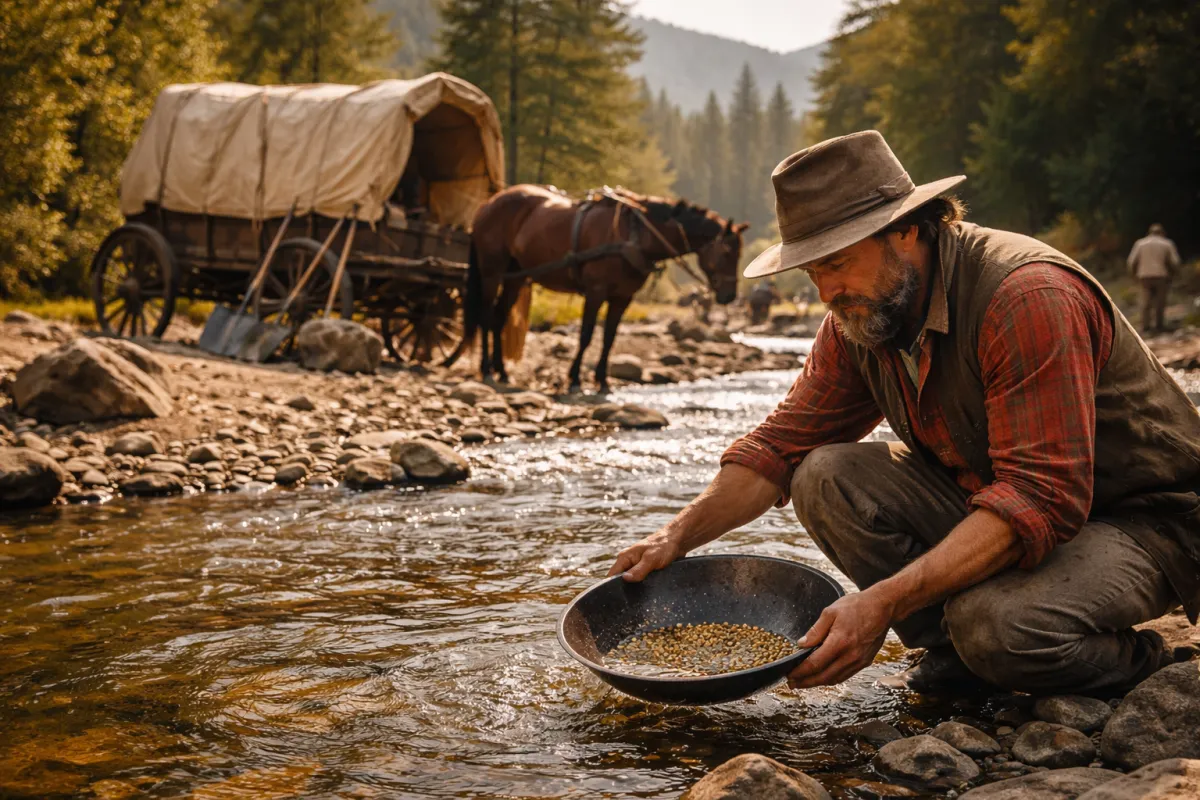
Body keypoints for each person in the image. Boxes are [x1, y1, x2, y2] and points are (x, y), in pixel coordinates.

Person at [608, 131, 1200, 696]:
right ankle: (954, 654)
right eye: (813, 270)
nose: (826, 291)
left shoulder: (1025, 296)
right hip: (999, 501)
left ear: (907, 230)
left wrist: (882, 603)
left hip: (1143, 519)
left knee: (996, 626)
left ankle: (1147, 664)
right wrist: (674, 537)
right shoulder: (861, 316)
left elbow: (1041, 495)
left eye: (837, 262)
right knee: (823, 473)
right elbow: (781, 446)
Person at [1127, 223, 1181, 334]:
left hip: (1144, 276)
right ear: (1162, 233)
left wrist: (1133, 274)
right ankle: (1159, 326)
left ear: (1149, 232)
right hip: (1161, 276)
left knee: (1145, 302)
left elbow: (1131, 262)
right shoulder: (1167, 244)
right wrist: (1175, 274)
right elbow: (1175, 262)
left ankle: (1146, 326)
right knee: (1160, 302)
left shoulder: (1140, 244)